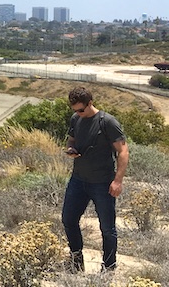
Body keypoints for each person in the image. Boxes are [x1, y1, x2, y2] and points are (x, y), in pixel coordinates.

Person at [62, 86, 128, 273]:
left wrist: (118, 181)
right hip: (78, 180)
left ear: (90, 103)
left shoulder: (107, 122)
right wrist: (71, 149)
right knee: (68, 219)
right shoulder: (76, 119)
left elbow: (123, 151)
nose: (78, 113)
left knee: (107, 228)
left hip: (102, 182)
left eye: (81, 109)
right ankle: (76, 261)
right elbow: (71, 140)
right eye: (74, 110)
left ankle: (108, 267)